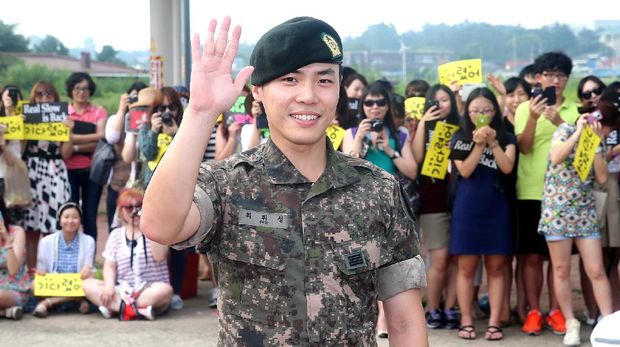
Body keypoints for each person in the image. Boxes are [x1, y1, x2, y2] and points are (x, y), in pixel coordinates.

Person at [141, 16, 428, 345]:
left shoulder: (377, 189)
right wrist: (201, 112)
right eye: (290, 79)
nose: (308, 96)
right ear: (259, 92)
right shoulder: (228, 184)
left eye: (324, 80)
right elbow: (160, 226)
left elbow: (405, 322)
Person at [539, 91, 619, 346]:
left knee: (596, 269)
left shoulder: (598, 141)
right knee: (561, 269)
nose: (606, 133)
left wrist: (594, 143)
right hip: (558, 210)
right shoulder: (563, 130)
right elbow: (557, 156)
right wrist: (578, 133)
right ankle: (570, 323)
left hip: (585, 211)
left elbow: (603, 177)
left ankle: (606, 323)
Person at [514, 51, 580, 336]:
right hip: (530, 191)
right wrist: (532, 116)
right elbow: (524, 147)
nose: (554, 80)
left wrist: (557, 122)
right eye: (549, 75)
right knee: (530, 257)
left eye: (560, 75)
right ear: (538, 78)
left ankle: (556, 311)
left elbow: (579, 153)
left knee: (558, 260)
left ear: (567, 79)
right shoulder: (524, 108)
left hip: (564, 195)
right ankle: (532, 311)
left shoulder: (576, 111)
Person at [449, 87, 516, 341]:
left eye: (486, 110)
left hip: (497, 207)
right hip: (468, 208)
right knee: (466, 268)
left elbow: (507, 167)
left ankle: (494, 323)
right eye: (476, 110)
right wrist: (478, 145)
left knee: (497, 267)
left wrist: (494, 143)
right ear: (467, 111)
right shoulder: (458, 137)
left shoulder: (508, 137)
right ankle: (465, 320)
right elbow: (464, 171)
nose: (481, 114)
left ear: (495, 111)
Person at [412, 84, 461, 330]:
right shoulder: (424, 126)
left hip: (461, 199)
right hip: (433, 199)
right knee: (439, 257)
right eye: (435, 100)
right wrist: (423, 124)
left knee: (457, 258)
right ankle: (432, 309)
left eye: (445, 100)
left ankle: (450, 308)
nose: (440, 104)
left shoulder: (461, 127)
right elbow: (417, 158)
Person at [82, 189, 172, 320]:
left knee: (165, 290)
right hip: (123, 289)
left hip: (149, 289)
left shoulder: (155, 230)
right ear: (121, 211)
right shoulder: (116, 235)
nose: (135, 212)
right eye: (129, 208)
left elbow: (160, 256)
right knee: (87, 284)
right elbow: (109, 266)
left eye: (139, 207)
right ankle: (137, 310)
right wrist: (109, 286)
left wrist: (152, 222)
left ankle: (118, 308)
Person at [20, 81, 72, 270]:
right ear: (33, 97)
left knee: (53, 225)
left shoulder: (61, 118)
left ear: (55, 97)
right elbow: (20, 149)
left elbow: (66, 154)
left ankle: (52, 274)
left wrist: (69, 130)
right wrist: (21, 126)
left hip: (55, 170)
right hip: (32, 172)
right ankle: (33, 273)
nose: (44, 98)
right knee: (31, 226)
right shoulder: (27, 117)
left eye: (48, 94)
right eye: (40, 94)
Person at [64, 72, 107, 242]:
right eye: (77, 88)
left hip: (92, 171)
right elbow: (61, 146)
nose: (81, 92)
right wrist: (90, 141)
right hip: (68, 171)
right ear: (71, 90)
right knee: (70, 216)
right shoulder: (64, 113)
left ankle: (89, 261)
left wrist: (72, 141)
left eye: (85, 89)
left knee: (90, 217)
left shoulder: (99, 111)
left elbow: (102, 137)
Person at [34, 202, 95, 317]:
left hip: (76, 282)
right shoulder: (46, 241)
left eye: (75, 217)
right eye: (66, 217)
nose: (70, 221)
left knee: (90, 282)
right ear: (60, 220)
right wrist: (41, 273)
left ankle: (47, 303)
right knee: (34, 285)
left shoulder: (88, 241)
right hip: (55, 283)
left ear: (80, 220)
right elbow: (41, 269)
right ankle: (78, 300)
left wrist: (86, 270)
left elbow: (88, 266)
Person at [104, 81, 147, 230]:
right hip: (118, 181)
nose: (136, 102)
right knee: (116, 226)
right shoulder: (116, 119)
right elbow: (112, 137)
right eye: (133, 97)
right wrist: (122, 110)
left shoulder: (151, 120)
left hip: (139, 183)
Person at [138, 86, 184, 188]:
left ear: (178, 108)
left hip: (177, 184)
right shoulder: (146, 128)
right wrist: (154, 131)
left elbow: (190, 157)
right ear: (156, 110)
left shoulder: (185, 127)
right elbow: (149, 154)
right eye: (162, 108)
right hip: (153, 185)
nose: (167, 112)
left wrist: (176, 134)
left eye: (172, 108)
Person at [0, 198, 30, 320]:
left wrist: (7, 240)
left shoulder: (17, 232)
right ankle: (5, 312)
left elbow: (13, 270)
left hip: (12, 288)